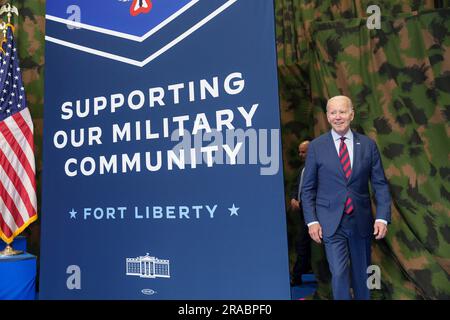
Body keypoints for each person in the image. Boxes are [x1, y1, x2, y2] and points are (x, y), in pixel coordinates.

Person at [301, 95, 391, 300]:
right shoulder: (316, 146)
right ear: (327, 116)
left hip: (361, 221)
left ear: (352, 114)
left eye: (342, 112)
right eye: (333, 112)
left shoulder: (368, 145)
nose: (338, 117)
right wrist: (312, 221)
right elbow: (307, 189)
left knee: (362, 274)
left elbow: (380, 184)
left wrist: (382, 217)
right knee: (340, 273)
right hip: (330, 222)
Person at [289, 140, 312, 287]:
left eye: (303, 152)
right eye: (299, 152)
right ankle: (296, 277)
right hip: (303, 214)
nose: (300, 155)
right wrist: (293, 198)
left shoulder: (319, 168)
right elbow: (297, 186)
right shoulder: (303, 169)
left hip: (316, 213)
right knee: (302, 245)